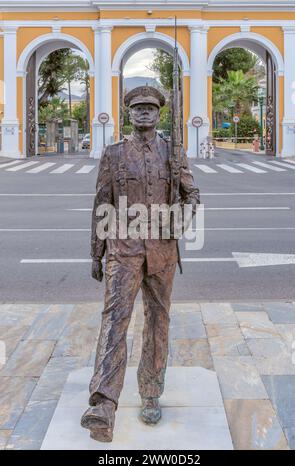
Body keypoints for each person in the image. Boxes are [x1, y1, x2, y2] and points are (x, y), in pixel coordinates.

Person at [81, 86, 200, 442]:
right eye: (138, 109)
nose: (144, 114)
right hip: (123, 248)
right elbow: (101, 202)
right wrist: (96, 251)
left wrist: (178, 220)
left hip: (162, 252)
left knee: (158, 322)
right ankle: (103, 404)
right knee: (114, 322)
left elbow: (191, 194)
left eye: (150, 108)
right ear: (129, 114)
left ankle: (151, 391)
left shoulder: (173, 152)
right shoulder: (114, 154)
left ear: (159, 114)